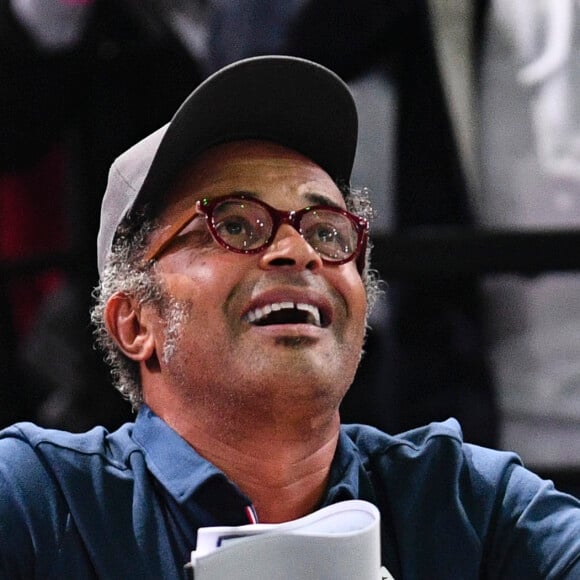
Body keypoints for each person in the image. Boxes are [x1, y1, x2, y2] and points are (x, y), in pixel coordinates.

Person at [0, 55, 578, 579]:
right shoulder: (38, 501)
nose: (298, 251)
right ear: (135, 323)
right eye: (234, 223)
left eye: (327, 232)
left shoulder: (469, 503)